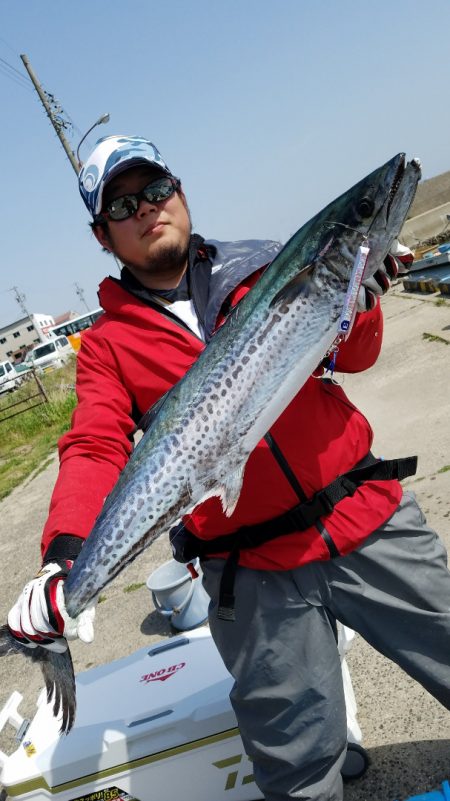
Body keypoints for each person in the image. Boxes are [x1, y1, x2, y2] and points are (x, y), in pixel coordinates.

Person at [7, 135, 450, 801]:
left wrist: (363, 301)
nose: (147, 208)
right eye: (123, 205)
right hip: (255, 576)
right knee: (299, 771)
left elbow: (350, 354)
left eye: (156, 189)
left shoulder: (262, 262)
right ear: (103, 235)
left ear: (180, 192)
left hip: (366, 517)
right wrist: (63, 558)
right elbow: (95, 445)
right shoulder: (106, 344)